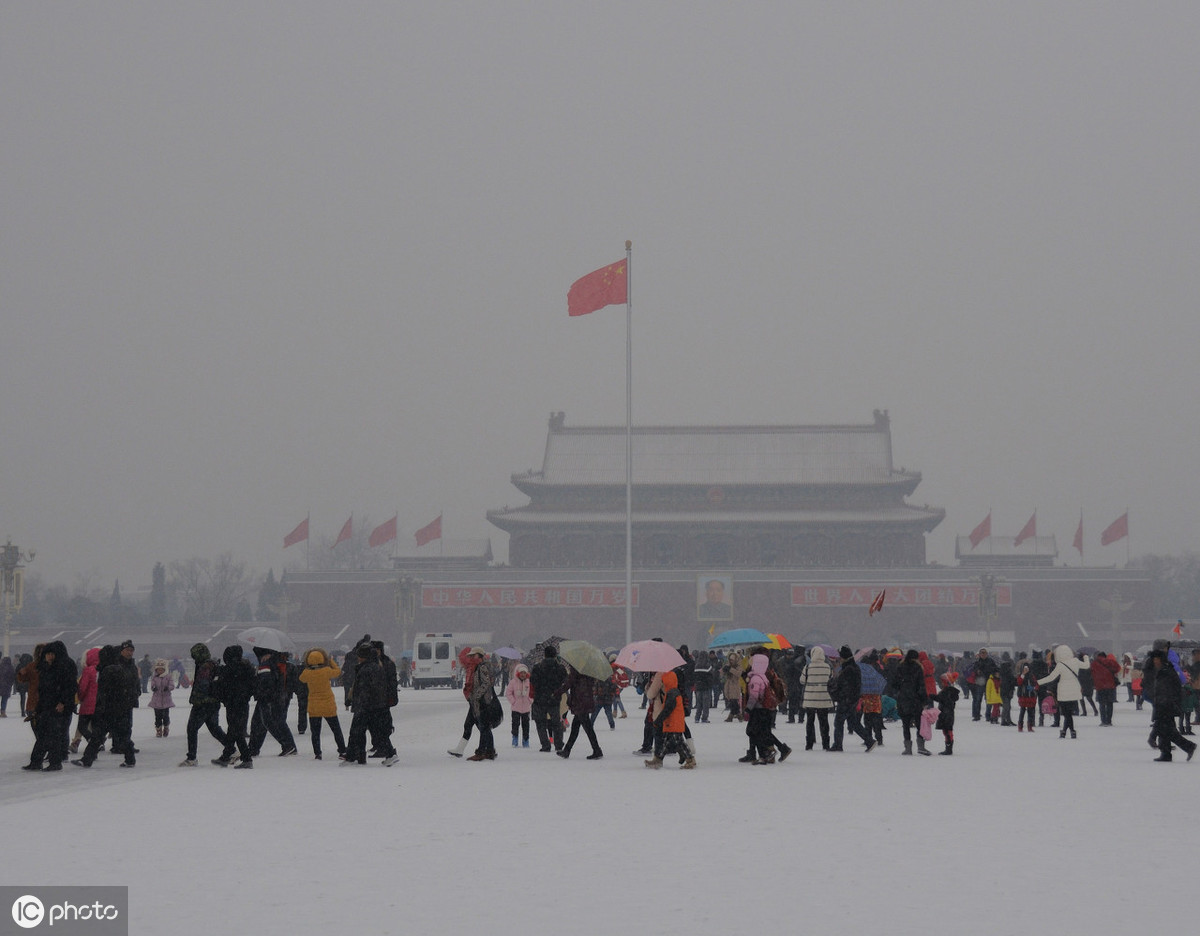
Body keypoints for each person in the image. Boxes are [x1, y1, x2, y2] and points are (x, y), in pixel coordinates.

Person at [24, 640, 77, 771]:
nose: (49, 657)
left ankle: (54, 762)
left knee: (52, 735)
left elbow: (70, 687)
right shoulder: (46, 668)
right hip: (46, 705)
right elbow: (43, 689)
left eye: (51, 654)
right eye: (47, 654)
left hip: (58, 706)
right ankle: (37, 761)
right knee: (44, 734)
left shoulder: (63, 666)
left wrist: (63, 702)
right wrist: (38, 708)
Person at [345, 641, 399, 765]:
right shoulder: (375, 666)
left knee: (356, 732)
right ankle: (389, 754)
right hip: (375, 706)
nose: (357, 658)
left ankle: (352, 757)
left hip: (366, 706)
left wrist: (360, 703)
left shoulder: (367, 669)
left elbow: (365, 689)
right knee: (377, 733)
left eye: (359, 655)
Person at [179, 643, 228, 767]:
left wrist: (197, 698)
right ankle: (231, 749)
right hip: (213, 702)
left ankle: (191, 757)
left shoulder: (204, 667)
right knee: (214, 729)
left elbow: (203, 685)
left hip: (203, 703)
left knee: (192, 728)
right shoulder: (213, 664)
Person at [1147, 649, 1196, 762]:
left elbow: (1167, 690)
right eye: (1154, 659)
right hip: (1165, 704)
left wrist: (1163, 702)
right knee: (1166, 730)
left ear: (1161, 659)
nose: (1155, 661)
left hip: (1166, 705)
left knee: (1167, 730)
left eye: (1156, 659)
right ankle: (1166, 753)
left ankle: (1188, 746)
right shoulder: (1164, 670)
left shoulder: (1166, 671)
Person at [298, 647, 346, 760]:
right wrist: (330, 661)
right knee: (336, 730)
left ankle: (318, 753)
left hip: (314, 706)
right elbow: (338, 671)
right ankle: (342, 750)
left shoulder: (307, 673)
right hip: (328, 705)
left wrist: (307, 666)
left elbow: (301, 679)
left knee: (315, 732)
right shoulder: (326, 671)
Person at [248, 648, 298, 757]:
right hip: (278, 696)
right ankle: (253, 749)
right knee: (261, 722)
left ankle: (287, 745)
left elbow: (264, 681)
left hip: (267, 697)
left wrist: (258, 688)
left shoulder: (266, 664)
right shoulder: (280, 661)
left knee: (267, 722)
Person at [212, 644, 256, 768]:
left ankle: (247, 758)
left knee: (236, 731)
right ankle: (226, 756)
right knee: (233, 731)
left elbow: (220, 686)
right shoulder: (247, 667)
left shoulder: (229, 669)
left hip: (232, 703)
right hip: (242, 703)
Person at [1036, 644, 1089, 739]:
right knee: (1068, 713)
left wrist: (1037, 682)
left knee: (1066, 713)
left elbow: (1051, 677)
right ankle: (1068, 731)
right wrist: (1085, 656)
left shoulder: (1060, 665)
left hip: (1063, 690)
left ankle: (1067, 731)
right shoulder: (1076, 661)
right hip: (1074, 689)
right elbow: (1086, 665)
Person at [644, 671, 695, 769]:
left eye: (663, 681)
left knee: (679, 742)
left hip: (674, 722)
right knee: (666, 742)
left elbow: (667, 710)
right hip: (672, 722)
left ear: (668, 682)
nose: (662, 683)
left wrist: (658, 721)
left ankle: (690, 759)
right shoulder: (672, 692)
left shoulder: (672, 694)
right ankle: (659, 758)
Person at [831, 646, 875, 752]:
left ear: (844, 658)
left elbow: (842, 684)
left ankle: (838, 745)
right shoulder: (854, 667)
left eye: (840, 657)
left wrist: (835, 684)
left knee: (839, 722)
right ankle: (869, 740)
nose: (839, 659)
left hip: (846, 699)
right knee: (854, 723)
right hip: (853, 699)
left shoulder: (847, 669)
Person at [558, 666, 603, 759]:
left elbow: (567, 685)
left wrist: (556, 693)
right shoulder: (589, 672)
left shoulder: (575, 672)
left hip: (579, 703)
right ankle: (567, 750)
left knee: (588, 728)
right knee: (576, 727)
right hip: (586, 701)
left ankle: (597, 750)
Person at [530, 644, 567, 754]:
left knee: (540, 723)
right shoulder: (560, 668)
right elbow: (564, 680)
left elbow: (533, 681)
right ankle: (558, 744)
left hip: (540, 698)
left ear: (544, 655)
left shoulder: (537, 667)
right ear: (555, 655)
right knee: (556, 723)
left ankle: (545, 745)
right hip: (554, 698)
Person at [465, 648, 498, 762]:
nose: (471, 658)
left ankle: (481, 751)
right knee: (486, 727)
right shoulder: (481, 666)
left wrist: (476, 695)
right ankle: (490, 750)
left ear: (478, 656)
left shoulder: (482, 667)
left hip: (483, 701)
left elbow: (486, 683)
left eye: (473, 656)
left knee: (484, 726)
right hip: (484, 700)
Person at [895, 649, 930, 755]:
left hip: (903, 698)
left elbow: (894, 683)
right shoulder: (918, 668)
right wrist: (924, 700)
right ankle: (921, 746)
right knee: (919, 724)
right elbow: (921, 685)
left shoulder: (900, 667)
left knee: (906, 724)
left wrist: (902, 688)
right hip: (915, 699)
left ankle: (908, 748)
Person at [800, 646, 834, 751]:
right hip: (824, 698)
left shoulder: (808, 667)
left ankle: (809, 743)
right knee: (824, 721)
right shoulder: (828, 667)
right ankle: (826, 743)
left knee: (810, 721)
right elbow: (831, 680)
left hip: (810, 698)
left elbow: (802, 680)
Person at [70, 647, 100, 753]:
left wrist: (80, 698)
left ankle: (90, 742)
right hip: (100, 703)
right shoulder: (104, 669)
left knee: (82, 725)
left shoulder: (88, 670)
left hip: (88, 702)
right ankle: (96, 744)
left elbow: (82, 687)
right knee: (94, 725)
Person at [505, 663, 533, 748]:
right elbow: (508, 693)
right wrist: (513, 701)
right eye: (521, 673)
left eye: (524, 673)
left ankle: (525, 739)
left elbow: (532, 693)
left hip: (526, 708)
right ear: (518, 673)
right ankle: (515, 738)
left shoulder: (529, 682)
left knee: (526, 725)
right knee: (515, 724)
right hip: (516, 708)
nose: (523, 675)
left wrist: (530, 700)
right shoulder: (513, 682)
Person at [1090, 651, 1121, 726]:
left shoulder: (1094, 663)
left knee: (1102, 704)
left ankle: (1103, 721)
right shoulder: (1110, 661)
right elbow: (1118, 668)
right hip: (1110, 685)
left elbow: (1091, 673)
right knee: (1110, 703)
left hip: (1100, 686)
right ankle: (1109, 721)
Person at [968, 648, 997, 721]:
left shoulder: (991, 661)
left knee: (988, 700)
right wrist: (978, 671)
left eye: (984, 653)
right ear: (980, 654)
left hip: (988, 682)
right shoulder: (977, 662)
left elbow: (995, 669)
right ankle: (977, 715)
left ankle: (988, 715)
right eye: (982, 653)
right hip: (980, 682)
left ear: (987, 654)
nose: (983, 654)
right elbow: (974, 670)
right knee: (978, 699)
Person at [934, 673, 960, 755]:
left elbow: (940, 698)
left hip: (946, 714)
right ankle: (948, 747)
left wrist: (930, 695)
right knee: (946, 730)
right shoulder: (949, 691)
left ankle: (948, 748)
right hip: (947, 713)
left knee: (947, 731)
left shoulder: (947, 691)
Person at [149, 659, 174, 738]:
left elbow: (172, 685)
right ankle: (158, 729)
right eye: (158, 669)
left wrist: (168, 688)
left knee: (165, 716)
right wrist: (153, 687)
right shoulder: (154, 677)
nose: (160, 671)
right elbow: (152, 685)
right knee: (158, 717)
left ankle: (166, 727)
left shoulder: (168, 677)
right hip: (156, 700)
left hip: (166, 700)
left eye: (161, 669)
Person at [691, 650, 713, 723]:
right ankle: (704, 718)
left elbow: (694, 676)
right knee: (705, 704)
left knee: (699, 703)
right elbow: (711, 676)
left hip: (698, 687)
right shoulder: (708, 666)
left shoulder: (696, 665)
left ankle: (697, 717)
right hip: (706, 687)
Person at [1016, 663, 1038, 733]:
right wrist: (1023, 674)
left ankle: (1030, 726)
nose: (1026, 670)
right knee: (1022, 712)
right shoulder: (1021, 676)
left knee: (1030, 712)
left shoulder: (1032, 676)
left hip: (1030, 697)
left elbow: (1036, 685)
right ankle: (1020, 726)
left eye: (1027, 669)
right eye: (1024, 669)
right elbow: (1019, 682)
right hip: (1023, 697)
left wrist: (1033, 688)